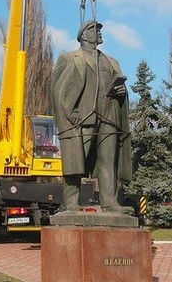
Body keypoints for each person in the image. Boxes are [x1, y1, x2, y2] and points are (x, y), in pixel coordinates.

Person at [51, 20, 133, 213]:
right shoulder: (71, 58)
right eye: (94, 29)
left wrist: (121, 92)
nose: (99, 32)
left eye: (99, 29)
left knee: (108, 160)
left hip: (109, 114)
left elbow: (119, 85)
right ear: (83, 36)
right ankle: (70, 203)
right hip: (84, 117)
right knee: (76, 160)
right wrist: (70, 113)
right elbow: (58, 89)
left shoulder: (111, 61)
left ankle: (109, 202)